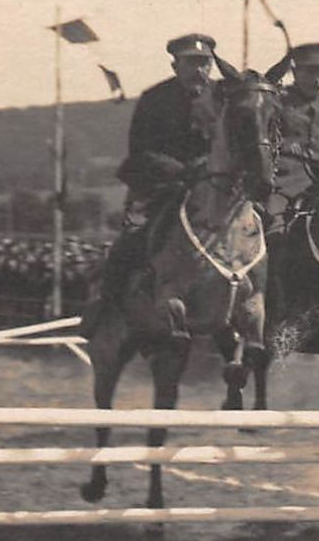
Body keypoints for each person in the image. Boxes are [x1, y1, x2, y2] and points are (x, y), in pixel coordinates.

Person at [84, 33, 221, 333]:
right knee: (130, 243)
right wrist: (183, 171)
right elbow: (141, 151)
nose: (199, 70)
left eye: (205, 63)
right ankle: (105, 311)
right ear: (175, 66)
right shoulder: (155, 99)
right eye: (191, 63)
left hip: (212, 190)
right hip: (160, 188)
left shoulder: (224, 97)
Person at [265, 42, 319, 221]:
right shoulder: (276, 103)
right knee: (274, 227)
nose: (317, 80)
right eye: (310, 72)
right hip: (284, 187)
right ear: (294, 72)